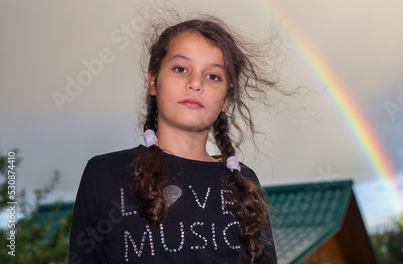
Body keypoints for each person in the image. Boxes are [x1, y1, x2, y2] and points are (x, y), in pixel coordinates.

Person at [69, 17, 279, 263]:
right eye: (180, 69)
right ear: (153, 81)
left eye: (213, 76)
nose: (195, 83)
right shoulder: (104, 173)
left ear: (225, 101)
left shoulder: (243, 182)